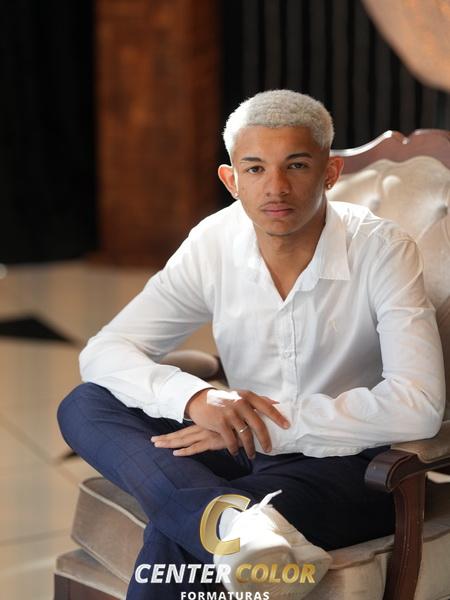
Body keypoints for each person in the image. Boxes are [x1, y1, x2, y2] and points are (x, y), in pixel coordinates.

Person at [57, 90, 445, 600]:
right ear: (231, 179)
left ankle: (219, 523)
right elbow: (107, 349)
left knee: (179, 538)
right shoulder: (213, 241)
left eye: (297, 166)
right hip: (236, 440)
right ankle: (232, 525)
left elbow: (419, 406)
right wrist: (196, 398)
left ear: (330, 172)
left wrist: (267, 427)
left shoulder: (382, 249)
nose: (276, 187)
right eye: (256, 169)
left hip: (350, 464)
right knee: (86, 402)